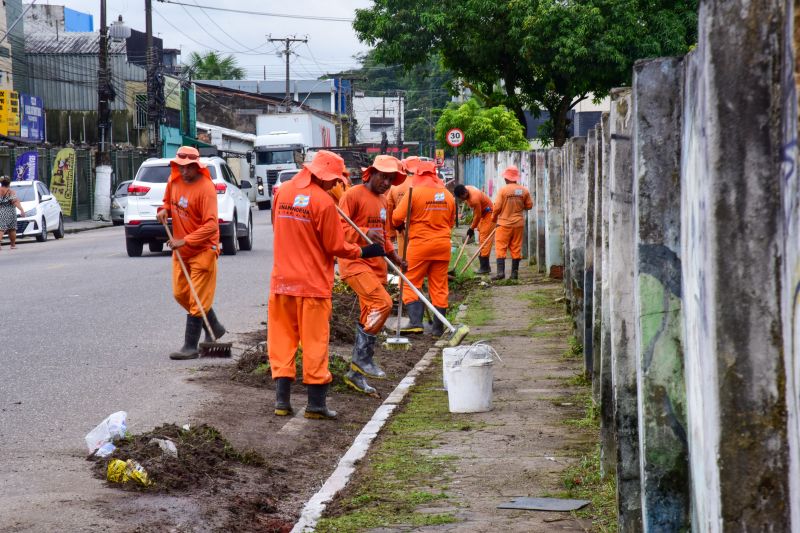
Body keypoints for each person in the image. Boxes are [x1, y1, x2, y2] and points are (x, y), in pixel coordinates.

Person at [269, 150, 386, 419]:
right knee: (314, 343)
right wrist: (364, 252)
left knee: (282, 342)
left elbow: (278, 228)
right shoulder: (323, 202)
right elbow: (335, 245)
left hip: (282, 283)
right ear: (323, 176)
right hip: (312, 286)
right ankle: (315, 405)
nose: (335, 185)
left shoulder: (283, 192)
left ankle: (282, 402)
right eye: (333, 180)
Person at [339, 155, 408, 395]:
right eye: (384, 177)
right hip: (355, 263)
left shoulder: (383, 201)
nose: (387, 183)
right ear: (372, 173)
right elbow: (340, 226)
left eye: (391, 179)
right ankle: (362, 360)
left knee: (370, 316)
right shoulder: (353, 195)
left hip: (377, 266)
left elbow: (385, 235)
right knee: (383, 304)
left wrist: (395, 258)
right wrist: (364, 231)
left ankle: (355, 374)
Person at [156, 146, 227, 360]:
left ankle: (191, 346)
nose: (184, 171)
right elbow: (166, 202)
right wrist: (163, 211)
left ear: (197, 166)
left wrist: (184, 240)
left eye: (188, 168)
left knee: (197, 299)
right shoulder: (173, 181)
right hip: (181, 251)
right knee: (180, 294)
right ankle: (213, 325)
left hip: (204, 249)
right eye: (180, 166)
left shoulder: (206, 188)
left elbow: (212, 226)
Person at [392, 160, 455, 336]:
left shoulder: (415, 192)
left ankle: (415, 322)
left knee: (409, 281)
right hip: (443, 246)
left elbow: (397, 217)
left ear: (418, 175)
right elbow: (451, 222)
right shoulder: (447, 195)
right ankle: (438, 327)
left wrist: (398, 225)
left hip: (420, 245)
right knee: (439, 286)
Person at [491, 165, 533, 280]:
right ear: (515, 178)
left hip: (504, 224)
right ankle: (514, 274)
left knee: (500, 247)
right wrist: (519, 205)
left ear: (506, 178)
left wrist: (493, 219)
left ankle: (500, 273)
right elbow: (529, 206)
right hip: (518, 224)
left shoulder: (503, 190)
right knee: (516, 248)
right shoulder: (524, 190)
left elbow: (497, 207)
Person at [454, 184, 495, 275]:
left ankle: (485, 267)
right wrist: (472, 227)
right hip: (483, 214)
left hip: (489, 214)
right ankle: (484, 265)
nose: (462, 200)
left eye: (461, 198)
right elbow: (477, 214)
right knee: (481, 238)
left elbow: (477, 216)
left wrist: (471, 228)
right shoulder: (467, 189)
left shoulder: (474, 199)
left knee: (485, 239)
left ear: (464, 193)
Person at [0, 176, 26, 250]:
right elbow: (15, 201)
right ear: (9, 183)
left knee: (1, 228)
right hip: (10, 211)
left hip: (1, 210)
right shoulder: (10, 192)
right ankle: (13, 245)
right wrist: (21, 210)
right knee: (12, 229)